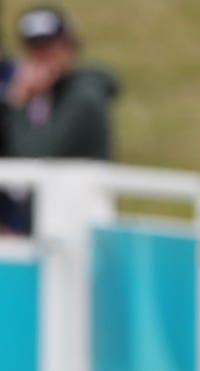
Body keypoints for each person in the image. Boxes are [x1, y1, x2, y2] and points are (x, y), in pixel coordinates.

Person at [0, 5, 119, 234]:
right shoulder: (47, 97)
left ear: (69, 45)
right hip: (53, 223)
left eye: (50, 46)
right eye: (35, 47)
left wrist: (18, 103)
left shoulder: (84, 99)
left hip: (81, 223)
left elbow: (33, 158)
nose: (42, 56)